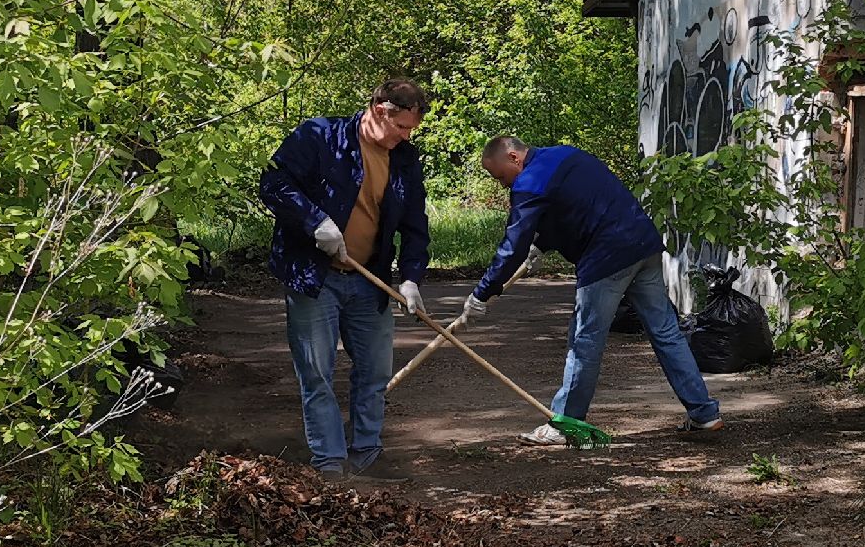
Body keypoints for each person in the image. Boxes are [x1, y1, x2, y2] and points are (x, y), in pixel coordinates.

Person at [457, 135, 721, 444]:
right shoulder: (566, 155)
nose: (503, 185)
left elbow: (512, 246)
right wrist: (541, 245)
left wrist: (483, 292)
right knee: (666, 333)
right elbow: (577, 206)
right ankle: (703, 413)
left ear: (514, 158)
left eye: (500, 176)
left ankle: (564, 425)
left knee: (585, 341)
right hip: (642, 245)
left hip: (607, 258)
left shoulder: (527, 182)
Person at [258, 79, 432, 481]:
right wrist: (313, 220)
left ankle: (367, 453)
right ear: (378, 110)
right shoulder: (319, 136)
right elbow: (274, 184)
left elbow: (415, 225)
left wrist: (410, 278)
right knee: (317, 372)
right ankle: (330, 463)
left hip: (369, 281)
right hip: (313, 277)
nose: (405, 137)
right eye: (401, 127)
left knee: (374, 372)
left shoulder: (404, 159)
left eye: (411, 130)